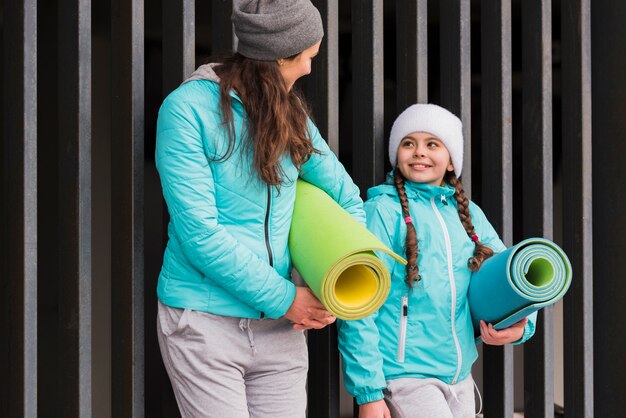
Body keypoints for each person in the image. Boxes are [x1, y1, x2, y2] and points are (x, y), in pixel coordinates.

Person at [154, 1, 365, 417]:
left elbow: (348, 200)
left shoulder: (293, 117)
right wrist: (287, 297)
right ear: (280, 56)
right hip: (204, 320)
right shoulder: (186, 111)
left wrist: (326, 284)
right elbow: (200, 234)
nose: (308, 69)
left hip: (280, 329)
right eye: (307, 57)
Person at [337, 104, 537, 418]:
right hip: (406, 376)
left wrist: (523, 326)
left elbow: (508, 278)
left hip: (459, 377)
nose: (419, 152)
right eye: (408, 143)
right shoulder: (382, 212)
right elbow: (357, 305)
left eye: (432, 144)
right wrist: (369, 393)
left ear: (451, 160)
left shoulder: (468, 214)